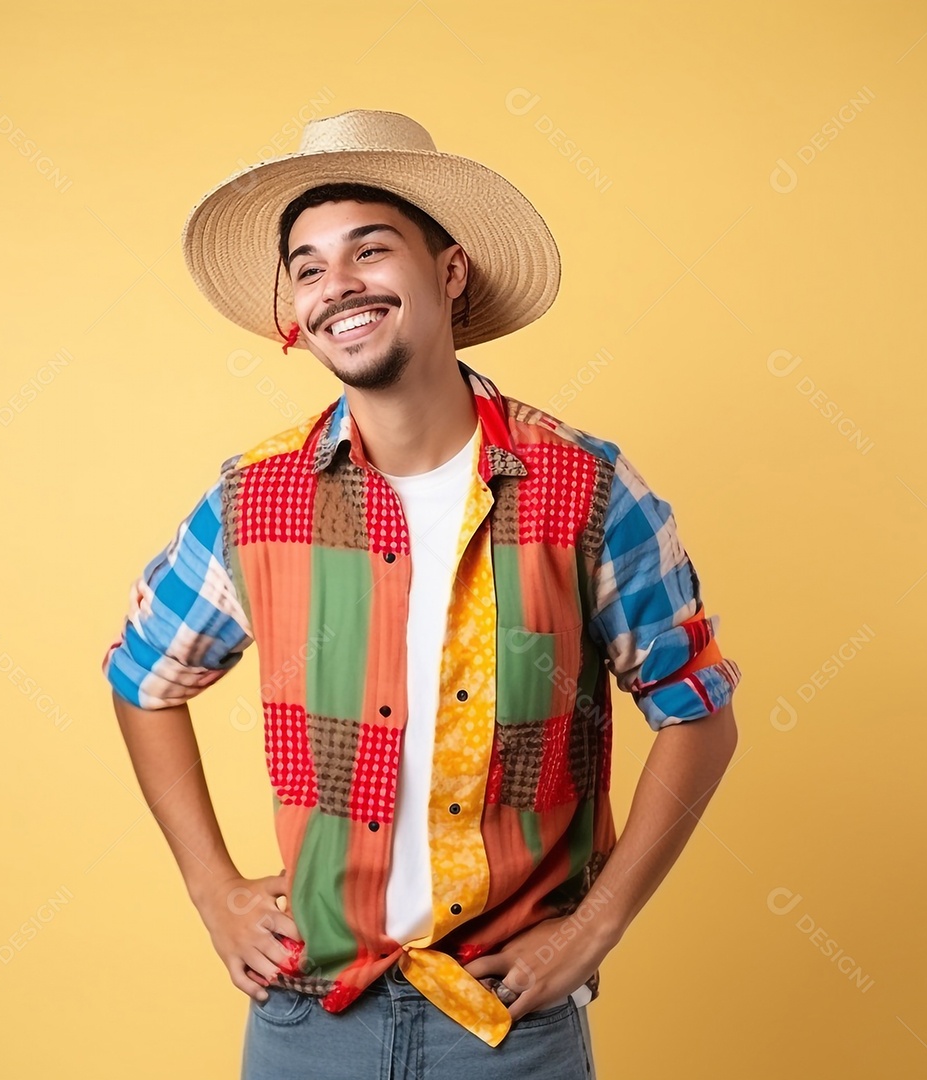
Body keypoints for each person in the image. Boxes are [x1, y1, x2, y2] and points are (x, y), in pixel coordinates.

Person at [102, 109, 742, 1079]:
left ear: (449, 271)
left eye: (371, 249)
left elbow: (700, 715)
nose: (337, 285)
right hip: (308, 1016)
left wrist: (594, 929)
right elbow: (142, 676)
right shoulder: (257, 497)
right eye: (308, 267)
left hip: (509, 1023)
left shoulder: (586, 488)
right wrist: (213, 890)